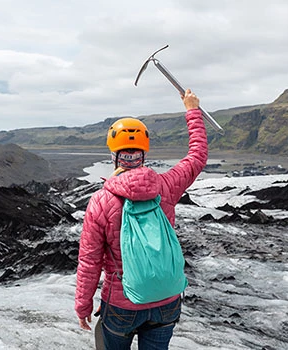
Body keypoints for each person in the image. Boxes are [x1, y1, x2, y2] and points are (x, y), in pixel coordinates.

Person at [75, 89, 208, 349]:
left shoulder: (100, 202)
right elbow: (197, 156)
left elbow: (89, 261)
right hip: (167, 301)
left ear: (113, 154)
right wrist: (192, 110)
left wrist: (83, 305)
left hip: (121, 304)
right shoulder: (167, 186)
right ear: (143, 153)